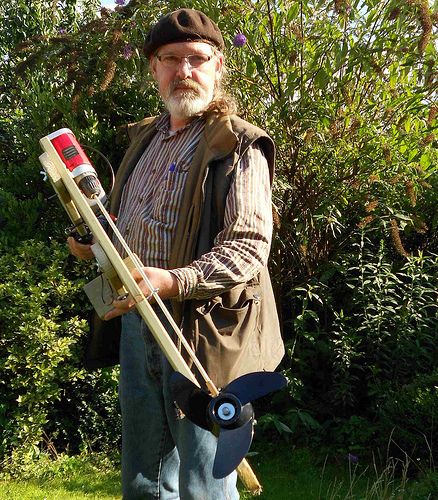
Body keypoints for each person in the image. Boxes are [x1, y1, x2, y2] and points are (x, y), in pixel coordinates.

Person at [68, 8, 284, 500]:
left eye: (196, 58)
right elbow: (123, 228)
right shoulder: (144, 139)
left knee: (203, 483)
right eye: (171, 59)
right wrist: (91, 244)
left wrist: (171, 281)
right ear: (153, 68)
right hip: (138, 324)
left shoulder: (239, 145)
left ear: (217, 65)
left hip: (205, 334)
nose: (184, 70)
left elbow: (248, 246)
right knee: (143, 479)